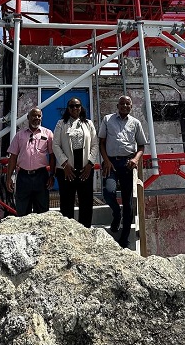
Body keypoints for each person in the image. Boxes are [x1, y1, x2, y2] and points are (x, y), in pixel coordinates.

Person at [98, 95, 147, 248]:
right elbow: (102, 142)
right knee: (108, 191)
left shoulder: (135, 123)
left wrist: (136, 159)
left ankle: (124, 238)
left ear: (131, 106)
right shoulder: (107, 119)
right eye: (122, 104)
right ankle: (116, 213)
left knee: (128, 202)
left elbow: (141, 146)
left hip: (127, 164)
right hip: (111, 163)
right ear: (117, 106)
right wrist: (106, 160)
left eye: (128, 104)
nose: (125, 106)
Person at [53, 97, 99, 228]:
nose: (75, 108)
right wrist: (64, 164)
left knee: (86, 203)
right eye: (72, 106)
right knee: (66, 204)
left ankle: (85, 231)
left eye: (77, 106)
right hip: (67, 170)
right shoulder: (61, 124)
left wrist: (90, 164)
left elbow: (95, 145)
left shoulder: (88, 123)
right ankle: (68, 233)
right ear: (68, 109)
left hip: (85, 168)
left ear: (81, 107)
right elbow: (55, 145)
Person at [5, 107, 55, 216]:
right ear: (28, 117)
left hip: (41, 177)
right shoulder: (19, 135)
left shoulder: (48, 134)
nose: (36, 118)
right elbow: (13, 157)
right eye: (34, 116)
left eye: (39, 116)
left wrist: (52, 175)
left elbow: (52, 156)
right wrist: (9, 178)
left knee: (42, 213)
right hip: (23, 177)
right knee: (22, 212)